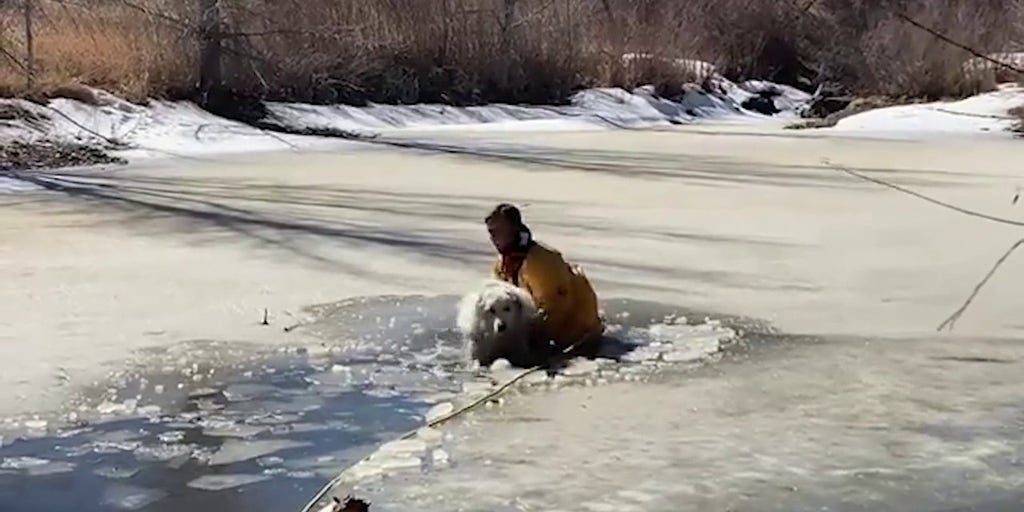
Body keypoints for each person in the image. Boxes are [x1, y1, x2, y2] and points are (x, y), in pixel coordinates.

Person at [484, 203, 604, 360]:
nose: (493, 237)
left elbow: (558, 306)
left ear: (514, 229)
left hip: (579, 334)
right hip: (547, 334)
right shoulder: (503, 265)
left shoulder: (542, 260)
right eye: (490, 232)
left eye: (497, 231)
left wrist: (534, 339)